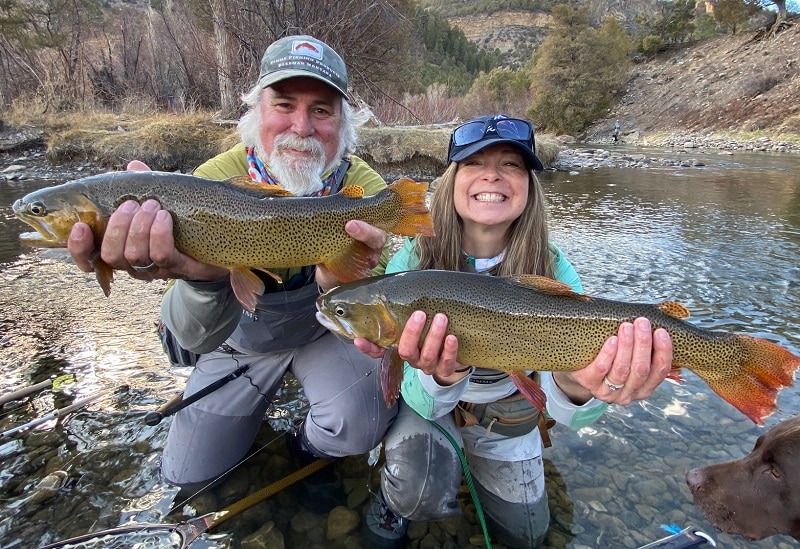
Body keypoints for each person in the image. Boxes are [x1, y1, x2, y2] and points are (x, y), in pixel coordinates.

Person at [66, 35, 397, 503]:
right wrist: (203, 280)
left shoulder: (364, 192)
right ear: (256, 111)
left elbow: (370, 321)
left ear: (343, 122)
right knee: (188, 479)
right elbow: (189, 342)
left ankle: (304, 450)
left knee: (355, 425)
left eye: (322, 110)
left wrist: (338, 279)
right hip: (235, 337)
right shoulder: (209, 182)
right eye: (284, 104)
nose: (301, 126)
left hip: (324, 332)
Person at [355, 114, 674, 548]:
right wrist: (443, 375)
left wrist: (578, 386)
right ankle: (394, 501)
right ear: (452, 181)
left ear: (529, 185)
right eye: (474, 163)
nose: (492, 174)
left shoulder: (555, 268)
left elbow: (571, 414)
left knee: (526, 535)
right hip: (431, 409)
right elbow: (418, 397)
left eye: (510, 164)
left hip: (507, 416)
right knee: (416, 496)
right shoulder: (412, 262)